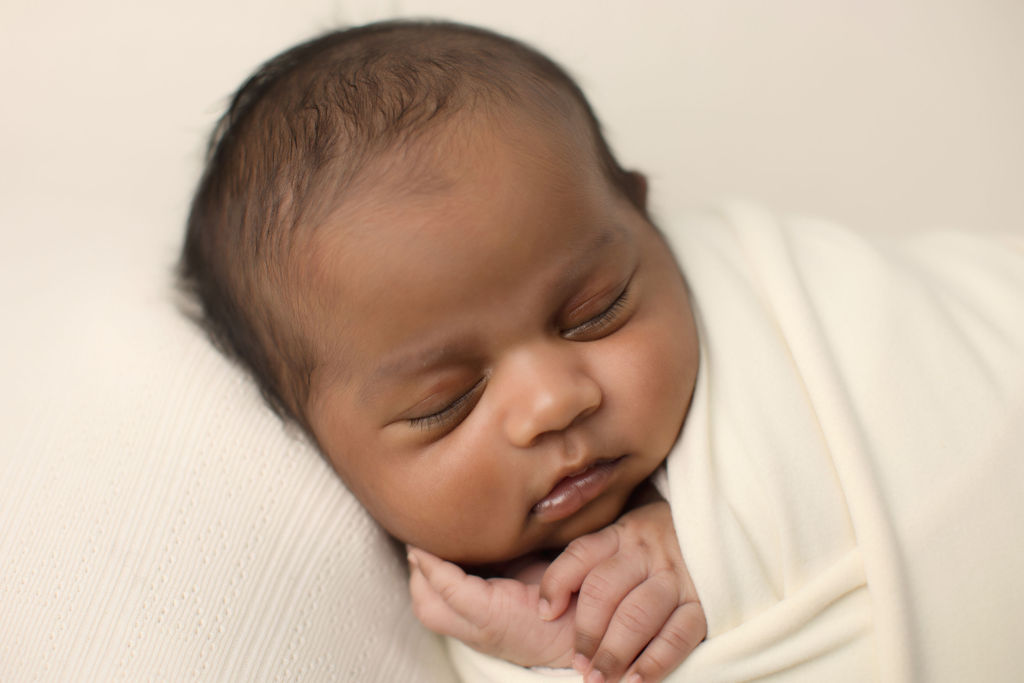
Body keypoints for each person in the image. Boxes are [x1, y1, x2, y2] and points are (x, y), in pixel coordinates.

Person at [181, 19, 707, 683]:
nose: (551, 402)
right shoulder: (462, 609)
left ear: (642, 216)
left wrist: (711, 538)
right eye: (447, 404)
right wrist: (554, 645)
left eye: (593, 312)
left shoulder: (763, 332)